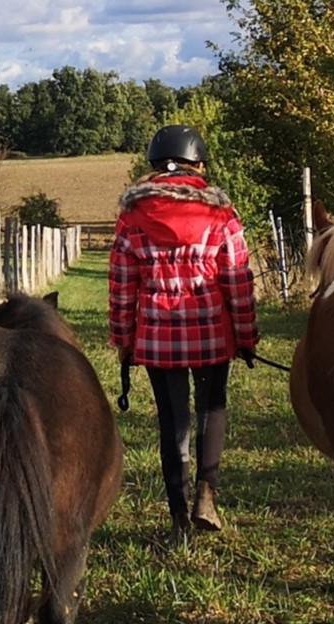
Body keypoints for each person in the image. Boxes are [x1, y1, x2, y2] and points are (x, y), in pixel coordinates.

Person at [109, 124, 259, 542]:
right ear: (200, 165)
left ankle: (178, 520)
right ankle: (206, 496)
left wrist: (124, 341)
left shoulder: (132, 218)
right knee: (212, 408)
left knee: (172, 420)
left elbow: (122, 286)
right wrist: (246, 337)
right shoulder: (222, 215)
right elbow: (238, 281)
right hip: (211, 334)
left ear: (154, 167)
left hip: (158, 339)